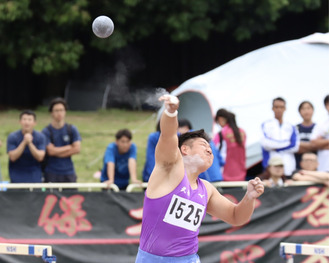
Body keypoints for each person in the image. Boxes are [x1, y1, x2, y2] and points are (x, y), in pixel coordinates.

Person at [136, 95, 264, 263]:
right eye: (204, 146)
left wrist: (249, 198)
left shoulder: (207, 188)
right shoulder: (168, 168)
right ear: (184, 149)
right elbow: (167, 135)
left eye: (210, 148)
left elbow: (235, 216)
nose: (210, 151)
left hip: (189, 259)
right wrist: (171, 112)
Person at [42, 97, 81, 183]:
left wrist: (57, 151)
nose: (59, 113)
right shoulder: (46, 131)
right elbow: (51, 151)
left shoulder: (71, 129)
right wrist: (69, 147)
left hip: (69, 171)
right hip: (51, 172)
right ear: (51, 113)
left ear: (65, 112)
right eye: (56, 110)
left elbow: (77, 149)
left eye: (61, 110)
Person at [260, 97, 299, 176]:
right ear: (272, 108)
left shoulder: (291, 126)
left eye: (281, 107)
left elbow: (295, 147)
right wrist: (287, 142)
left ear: (285, 108)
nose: (279, 110)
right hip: (271, 166)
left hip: (289, 167)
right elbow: (266, 144)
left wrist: (275, 147)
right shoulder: (266, 124)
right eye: (276, 107)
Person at [7, 110, 46, 183]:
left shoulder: (41, 137)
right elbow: (12, 157)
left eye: (29, 120)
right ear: (20, 122)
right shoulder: (12, 136)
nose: (26, 122)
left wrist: (30, 143)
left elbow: (40, 157)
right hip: (16, 176)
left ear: (34, 123)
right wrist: (24, 142)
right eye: (24, 119)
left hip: (35, 176)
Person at [213, 108, 246, 181]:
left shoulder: (221, 134)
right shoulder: (242, 132)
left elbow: (213, 150)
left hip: (226, 175)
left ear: (220, 119)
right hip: (241, 174)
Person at [295, 101, 316, 169]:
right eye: (303, 109)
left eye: (308, 108)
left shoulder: (318, 128)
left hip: (315, 166)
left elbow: (321, 146)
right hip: (298, 165)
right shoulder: (295, 128)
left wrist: (302, 145)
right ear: (299, 112)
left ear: (313, 110)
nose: (306, 111)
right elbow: (295, 147)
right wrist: (313, 146)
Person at [310, 94, 329, 172]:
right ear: (326, 106)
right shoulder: (321, 124)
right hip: (324, 166)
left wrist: (322, 143)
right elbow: (313, 143)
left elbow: (317, 143)